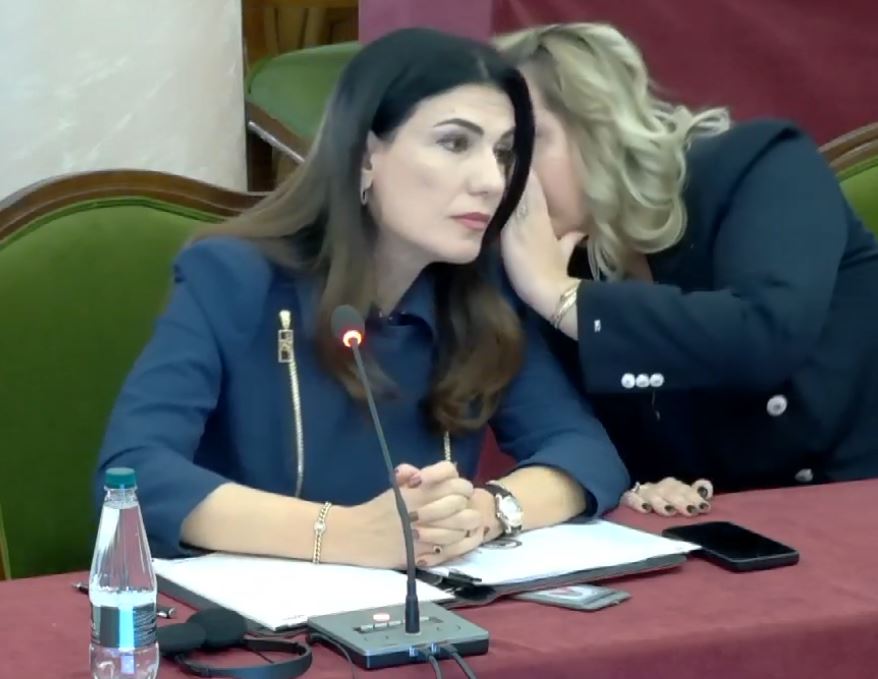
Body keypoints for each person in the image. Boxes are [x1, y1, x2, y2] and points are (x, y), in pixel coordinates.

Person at [95, 27, 630, 569]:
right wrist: (344, 533)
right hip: (256, 608)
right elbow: (135, 475)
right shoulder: (233, 276)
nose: (492, 180)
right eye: (454, 143)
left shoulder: (481, 291)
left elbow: (586, 453)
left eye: (504, 153)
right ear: (365, 156)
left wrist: (483, 512)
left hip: (426, 603)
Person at [496, 23, 878, 517]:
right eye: (496, 156)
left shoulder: (759, 164)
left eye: (523, 145)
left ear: (600, 128)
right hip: (739, 530)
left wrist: (562, 296)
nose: (502, 179)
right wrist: (647, 486)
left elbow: (763, 335)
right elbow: (589, 440)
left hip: (858, 495)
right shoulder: (549, 262)